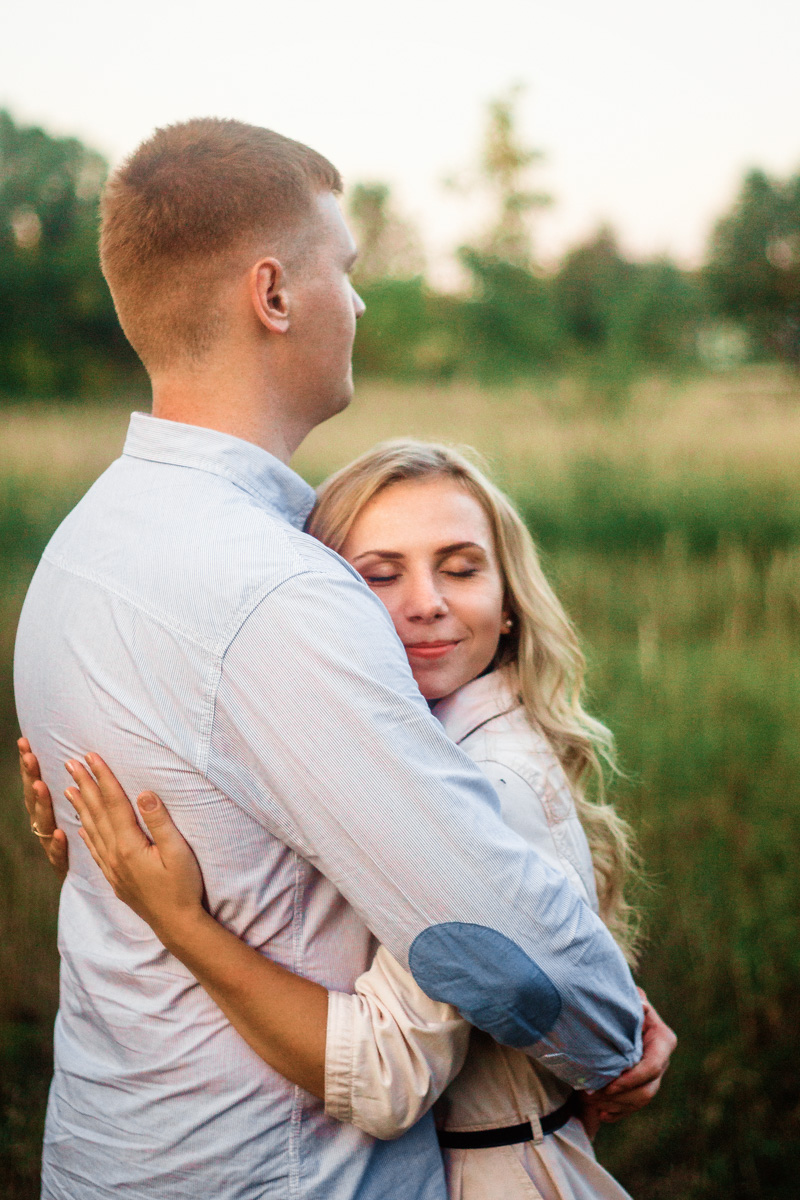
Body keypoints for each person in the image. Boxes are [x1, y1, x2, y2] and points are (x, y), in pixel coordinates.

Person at [14, 117, 647, 1200]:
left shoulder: (83, 547)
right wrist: (614, 1034)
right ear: (272, 295)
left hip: (113, 1143)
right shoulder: (278, 590)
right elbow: (478, 922)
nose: (356, 304)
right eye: (344, 271)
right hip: (269, 1168)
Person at [23, 442, 676, 1200]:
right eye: (380, 574)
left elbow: (384, 1078)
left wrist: (176, 919)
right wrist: (91, 850)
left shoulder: (485, 782)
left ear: (508, 606)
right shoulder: (410, 750)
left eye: (461, 569)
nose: (426, 601)